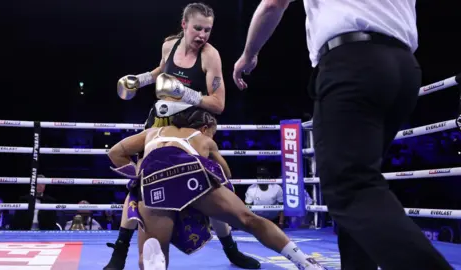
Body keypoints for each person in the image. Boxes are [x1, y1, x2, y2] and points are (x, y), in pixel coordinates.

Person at [232, 0, 453, 269]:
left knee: (349, 186)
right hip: (403, 67)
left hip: (353, 62)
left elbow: (272, 4)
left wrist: (249, 54)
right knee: (360, 186)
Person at [106, 3, 260, 269]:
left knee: (213, 188)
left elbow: (219, 104)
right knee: (140, 186)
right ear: (184, 25)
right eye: (198, 28)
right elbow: (160, 72)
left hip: (195, 128)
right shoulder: (169, 46)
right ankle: (119, 254)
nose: (202, 35)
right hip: (160, 122)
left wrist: (183, 93)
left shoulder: (210, 56)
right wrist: (139, 80)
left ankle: (231, 250)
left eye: (208, 30)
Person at [108, 108, 326, 270]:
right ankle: (305, 262)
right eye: (213, 132)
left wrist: (138, 171)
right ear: (205, 128)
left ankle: (153, 263)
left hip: (153, 178)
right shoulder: (201, 138)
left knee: (154, 249)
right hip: (189, 174)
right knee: (250, 220)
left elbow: (115, 153)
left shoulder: (153, 132)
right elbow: (225, 173)